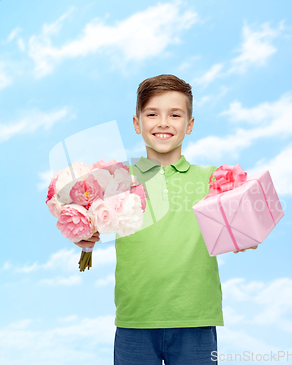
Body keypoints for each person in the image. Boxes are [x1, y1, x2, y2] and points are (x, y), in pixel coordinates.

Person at [75, 74, 257, 364]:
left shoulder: (212, 179)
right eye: (152, 114)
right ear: (137, 124)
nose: (163, 123)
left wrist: (245, 235)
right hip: (135, 320)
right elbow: (88, 221)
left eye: (175, 114)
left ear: (190, 124)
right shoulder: (118, 179)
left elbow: (243, 227)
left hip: (195, 320)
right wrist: (85, 239)